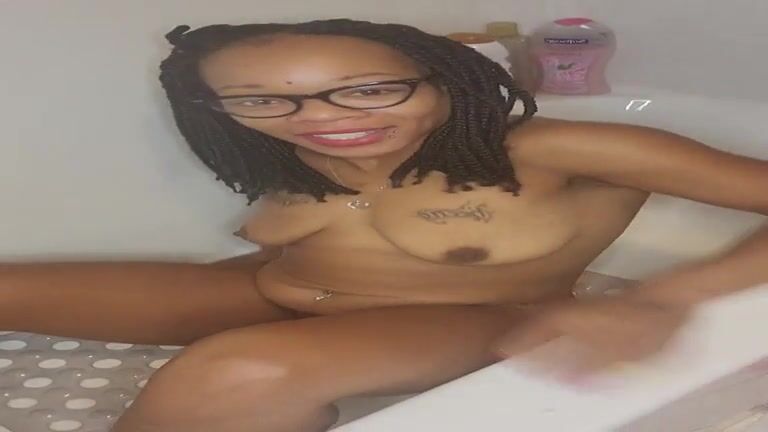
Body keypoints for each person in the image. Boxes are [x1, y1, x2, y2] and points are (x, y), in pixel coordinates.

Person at [1, 18, 766, 432]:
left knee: (237, 372)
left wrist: (663, 298)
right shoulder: (290, 147)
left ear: (450, 81)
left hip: (472, 319)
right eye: (262, 100)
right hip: (271, 295)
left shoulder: (559, 150)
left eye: (368, 89)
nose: (319, 119)